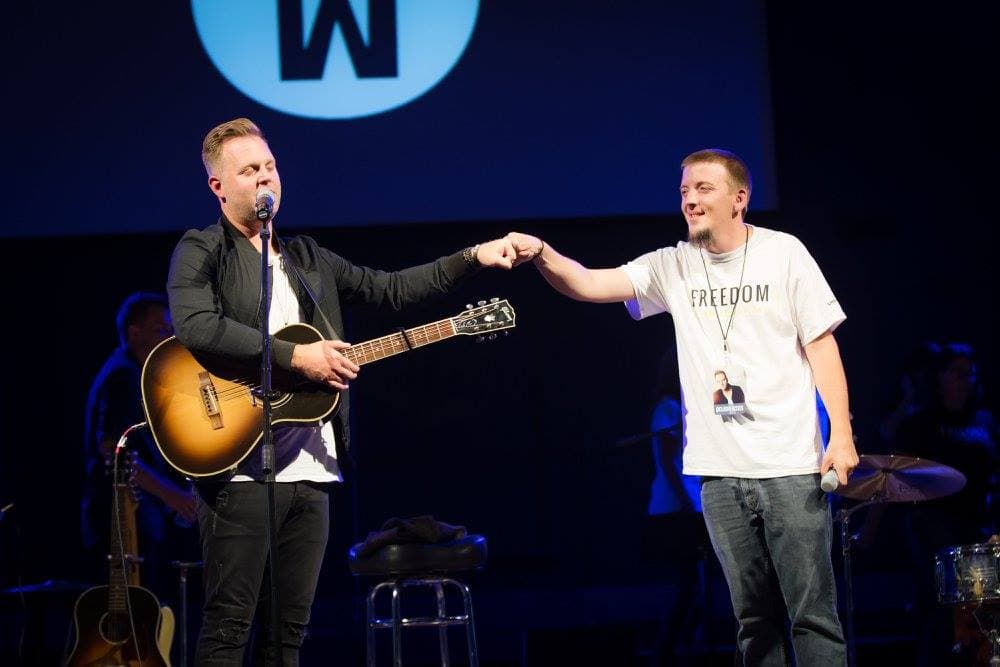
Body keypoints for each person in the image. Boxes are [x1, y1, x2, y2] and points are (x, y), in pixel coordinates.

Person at [166, 117, 518, 665]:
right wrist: (294, 356)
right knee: (229, 627)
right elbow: (195, 325)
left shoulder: (309, 259)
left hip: (311, 469)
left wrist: (472, 257)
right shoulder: (202, 249)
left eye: (270, 166)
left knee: (289, 634)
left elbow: (392, 289)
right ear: (219, 186)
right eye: (250, 170)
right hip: (239, 467)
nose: (266, 178)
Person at [506, 148, 858, 664]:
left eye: (704, 189)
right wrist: (542, 253)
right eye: (684, 191)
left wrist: (841, 436)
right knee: (753, 622)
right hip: (718, 475)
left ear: (739, 199)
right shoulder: (672, 265)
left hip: (789, 465)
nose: (690, 200)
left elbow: (821, 345)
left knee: (813, 617)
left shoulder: (784, 253)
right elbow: (587, 283)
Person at [81, 292, 199, 600]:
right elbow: (113, 449)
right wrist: (173, 496)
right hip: (123, 522)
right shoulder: (123, 375)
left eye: (172, 331)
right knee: (136, 609)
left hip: (135, 518)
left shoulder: (134, 373)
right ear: (134, 333)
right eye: (161, 330)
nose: (170, 338)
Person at [891, 342, 998, 665]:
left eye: (970, 373)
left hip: (978, 523)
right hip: (933, 524)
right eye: (958, 372)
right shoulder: (922, 422)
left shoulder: (984, 419)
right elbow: (896, 475)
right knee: (943, 604)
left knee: (983, 608)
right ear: (939, 377)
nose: (966, 379)